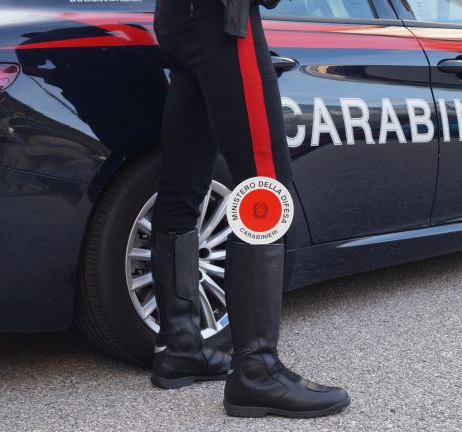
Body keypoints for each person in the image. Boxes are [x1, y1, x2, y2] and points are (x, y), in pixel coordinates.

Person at [149, 0, 350, 418]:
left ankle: (180, 346)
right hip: (224, 20)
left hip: (176, 18)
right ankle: (256, 371)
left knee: (183, 180)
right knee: (266, 187)